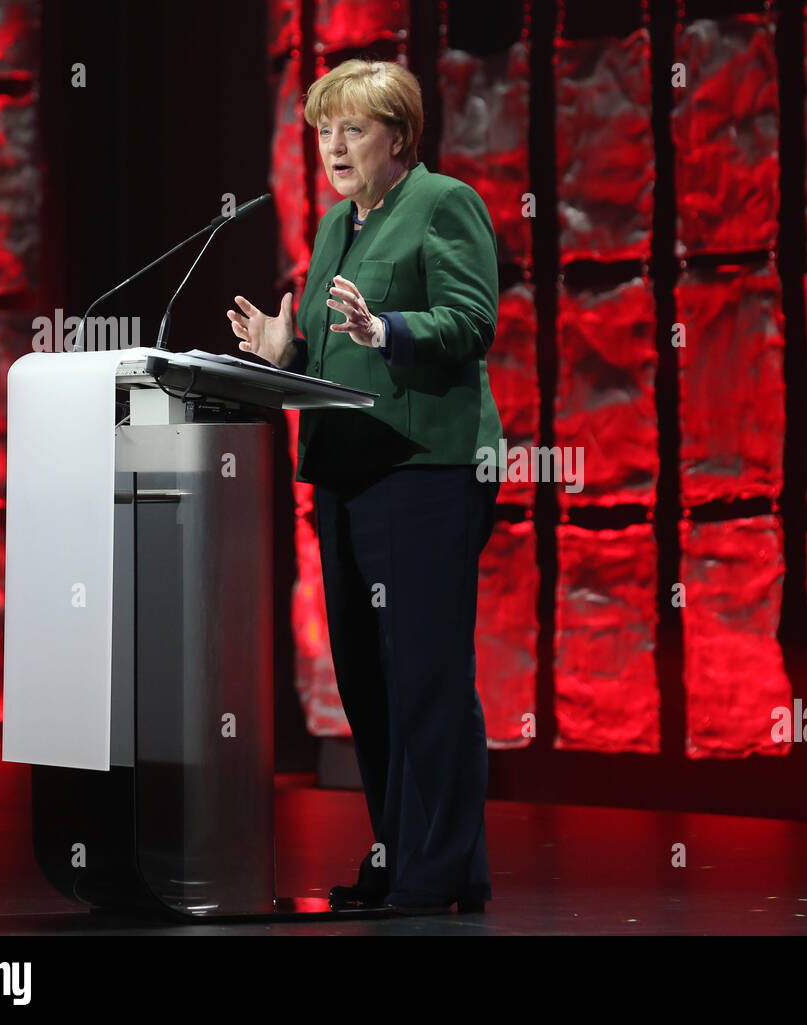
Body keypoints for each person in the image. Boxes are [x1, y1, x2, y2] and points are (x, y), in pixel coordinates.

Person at [226, 59, 503, 915]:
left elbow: (472, 320)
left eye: (352, 128)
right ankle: (402, 855)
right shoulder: (340, 227)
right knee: (370, 685)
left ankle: (438, 870)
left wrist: (388, 328)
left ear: (399, 137)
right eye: (323, 130)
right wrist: (285, 352)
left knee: (425, 676)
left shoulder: (441, 203)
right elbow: (331, 347)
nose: (333, 145)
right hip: (347, 474)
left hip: (423, 471)